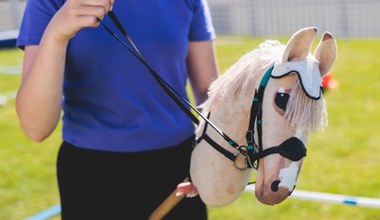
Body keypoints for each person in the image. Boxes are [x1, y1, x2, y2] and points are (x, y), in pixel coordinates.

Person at [16, 0, 219, 219]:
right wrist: (55, 35)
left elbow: (209, 96)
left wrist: (211, 161)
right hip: (92, 175)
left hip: (178, 170)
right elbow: (36, 128)